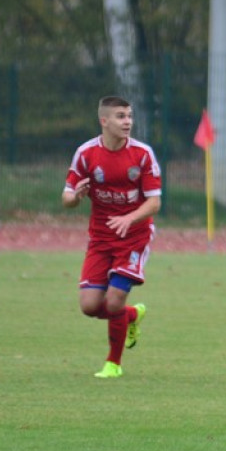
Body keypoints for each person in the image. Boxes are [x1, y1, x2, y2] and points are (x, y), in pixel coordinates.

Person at [61, 96, 160, 378]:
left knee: (114, 301)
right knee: (90, 306)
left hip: (134, 236)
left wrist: (129, 218)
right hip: (101, 238)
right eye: (120, 116)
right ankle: (131, 316)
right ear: (104, 121)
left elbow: (154, 203)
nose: (127, 121)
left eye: (129, 115)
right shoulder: (86, 153)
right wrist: (75, 197)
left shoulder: (142, 154)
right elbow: (66, 196)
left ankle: (113, 364)